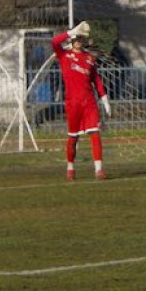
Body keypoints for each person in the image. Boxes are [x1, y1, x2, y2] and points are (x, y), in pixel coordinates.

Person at [52, 21, 110, 180]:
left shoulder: (89, 58)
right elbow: (54, 41)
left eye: (80, 39)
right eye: (75, 39)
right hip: (73, 103)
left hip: (89, 102)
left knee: (95, 133)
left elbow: (96, 80)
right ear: (71, 40)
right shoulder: (64, 55)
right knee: (73, 136)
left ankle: (99, 169)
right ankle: (70, 168)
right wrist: (70, 32)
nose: (78, 41)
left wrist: (104, 98)